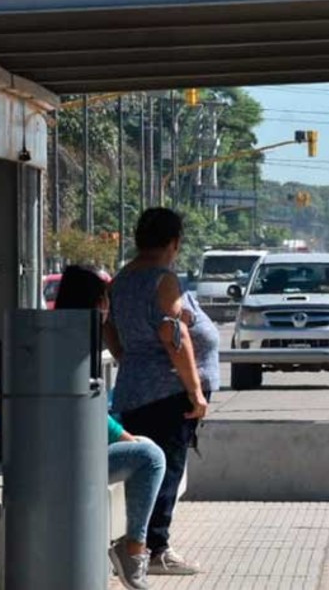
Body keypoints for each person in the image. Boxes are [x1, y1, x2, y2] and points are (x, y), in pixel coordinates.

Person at [108, 208, 220, 576]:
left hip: (137, 388)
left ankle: (145, 543)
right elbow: (174, 335)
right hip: (168, 393)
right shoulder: (163, 280)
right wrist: (195, 392)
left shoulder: (123, 279)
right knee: (167, 469)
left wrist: (129, 357)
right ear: (174, 243)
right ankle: (154, 548)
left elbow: (109, 328)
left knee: (150, 468)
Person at [54, 265, 167, 590]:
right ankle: (133, 551)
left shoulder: (62, 337)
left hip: (64, 449)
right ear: (93, 302)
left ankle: (132, 550)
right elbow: (84, 406)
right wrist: (123, 435)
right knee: (151, 456)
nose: (108, 310)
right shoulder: (72, 345)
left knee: (144, 447)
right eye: (105, 301)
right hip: (67, 458)